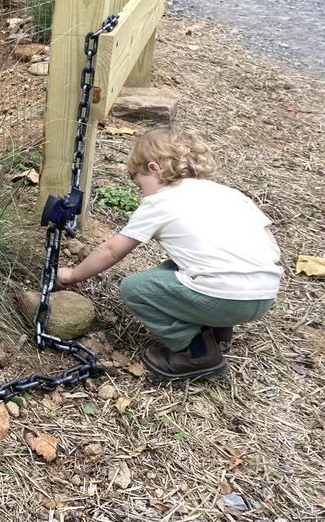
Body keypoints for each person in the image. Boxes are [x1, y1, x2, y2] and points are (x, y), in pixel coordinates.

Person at [56, 126, 282, 381]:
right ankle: (218, 331)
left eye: (140, 184)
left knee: (135, 288)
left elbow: (111, 251)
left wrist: (72, 274)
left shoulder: (160, 202)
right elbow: (269, 240)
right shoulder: (231, 195)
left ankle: (198, 353)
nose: (142, 192)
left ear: (154, 169)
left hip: (226, 298)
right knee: (180, 268)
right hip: (264, 293)